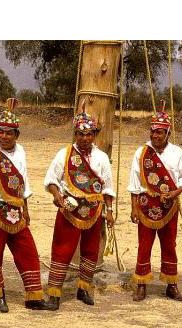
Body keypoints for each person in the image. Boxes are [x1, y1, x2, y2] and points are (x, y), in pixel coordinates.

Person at [0, 98, 49, 313]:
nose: (3, 136)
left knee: (28, 252)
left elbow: (23, 180)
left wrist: (26, 209)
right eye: (0, 131)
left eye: (9, 133)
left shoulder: (20, 151)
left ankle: (33, 296)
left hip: (16, 212)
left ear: (17, 135)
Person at [43, 102, 115, 311]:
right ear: (75, 134)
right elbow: (51, 180)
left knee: (90, 250)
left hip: (94, 210)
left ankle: (84, 289)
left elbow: (107, 188)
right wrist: (57, 195)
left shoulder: (102, 158)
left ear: (94, 135)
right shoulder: (64, 154)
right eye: (81, 134)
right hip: (70, 210)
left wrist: (109, 211)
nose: (85, 138)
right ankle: (54, 293)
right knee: (62, 249)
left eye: (89, 134)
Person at [127, 100, 182, 302]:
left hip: (169, 206)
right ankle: (141, 284)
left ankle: (171, 285)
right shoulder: (141, 153)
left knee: (169, 244)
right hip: (146, 205)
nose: (155, 135)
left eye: (159, 132)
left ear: (167, 134)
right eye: (152, 131)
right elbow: (134, 182)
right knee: (144, 245)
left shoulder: (177, 152)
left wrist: (177, 192)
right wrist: (134, 208)